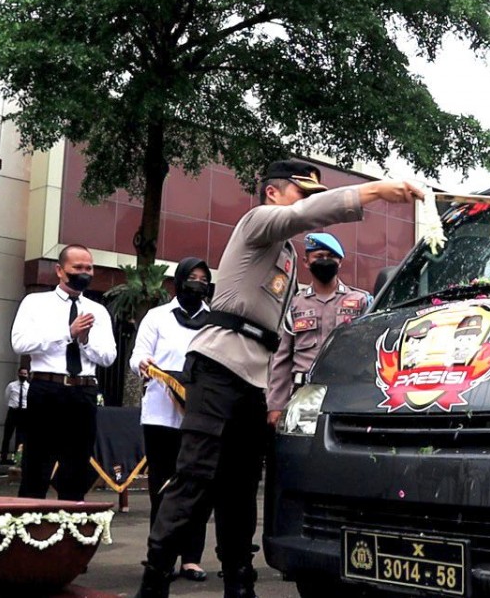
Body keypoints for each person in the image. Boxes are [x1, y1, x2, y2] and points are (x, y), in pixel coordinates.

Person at [135, 161, 423, 598]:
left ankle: (239, 582)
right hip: (218, 367)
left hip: (254, 377)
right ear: (272, 192)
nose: (306, 201)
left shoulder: (286, 253)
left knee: (240, 487)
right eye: (301, 192)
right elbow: (301, 216)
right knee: (195, 476)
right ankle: (154, 579)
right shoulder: (257, 222)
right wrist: (377, 191)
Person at [11, 244, 117, 501]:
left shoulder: (98, 310)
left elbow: (108, 357)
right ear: (60, 270)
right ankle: (28, 521)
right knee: (36, 465)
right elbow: (20, 344)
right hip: (46, 389)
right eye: (77, 267)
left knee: (77, 467)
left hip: (83, 391)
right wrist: (67, 333)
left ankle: (70, 522)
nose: (84, 273)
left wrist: (85, 340)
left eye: (89, 268)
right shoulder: (36, 303)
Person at [129, 257, 212, 583]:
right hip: (161, 414)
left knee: (196, 487)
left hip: (200, 415)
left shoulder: (213, 321)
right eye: (192, 278)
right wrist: (143, 364)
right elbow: (137, 355)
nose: (197, 284)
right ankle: (160, 557)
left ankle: (191, 559)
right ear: (178, 280)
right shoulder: (157, 316)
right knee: (162, 488)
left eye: (203, 279)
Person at [266, 233, 370, 425]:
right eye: (319, 256)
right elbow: (282, 359)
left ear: (340, 262)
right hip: (304, 394)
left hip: (347, 392)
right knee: (303, 441)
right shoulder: (294, 305)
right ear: (306, 262)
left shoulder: (361, 302)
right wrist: (276, 405)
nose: (325, 261)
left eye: (330, 257)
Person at [0, 368, 30, 465]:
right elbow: (6, 397)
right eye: (21, 373)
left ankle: (17, 459)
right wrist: (12, 406)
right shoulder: (11, 385)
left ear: (27, 375)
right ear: (18, 374)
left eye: (25, 374)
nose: (23, 375)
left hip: (23, 413)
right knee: (7, 435)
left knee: (20, 438)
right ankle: (3, 457)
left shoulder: (29, 387)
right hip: (13, 411)